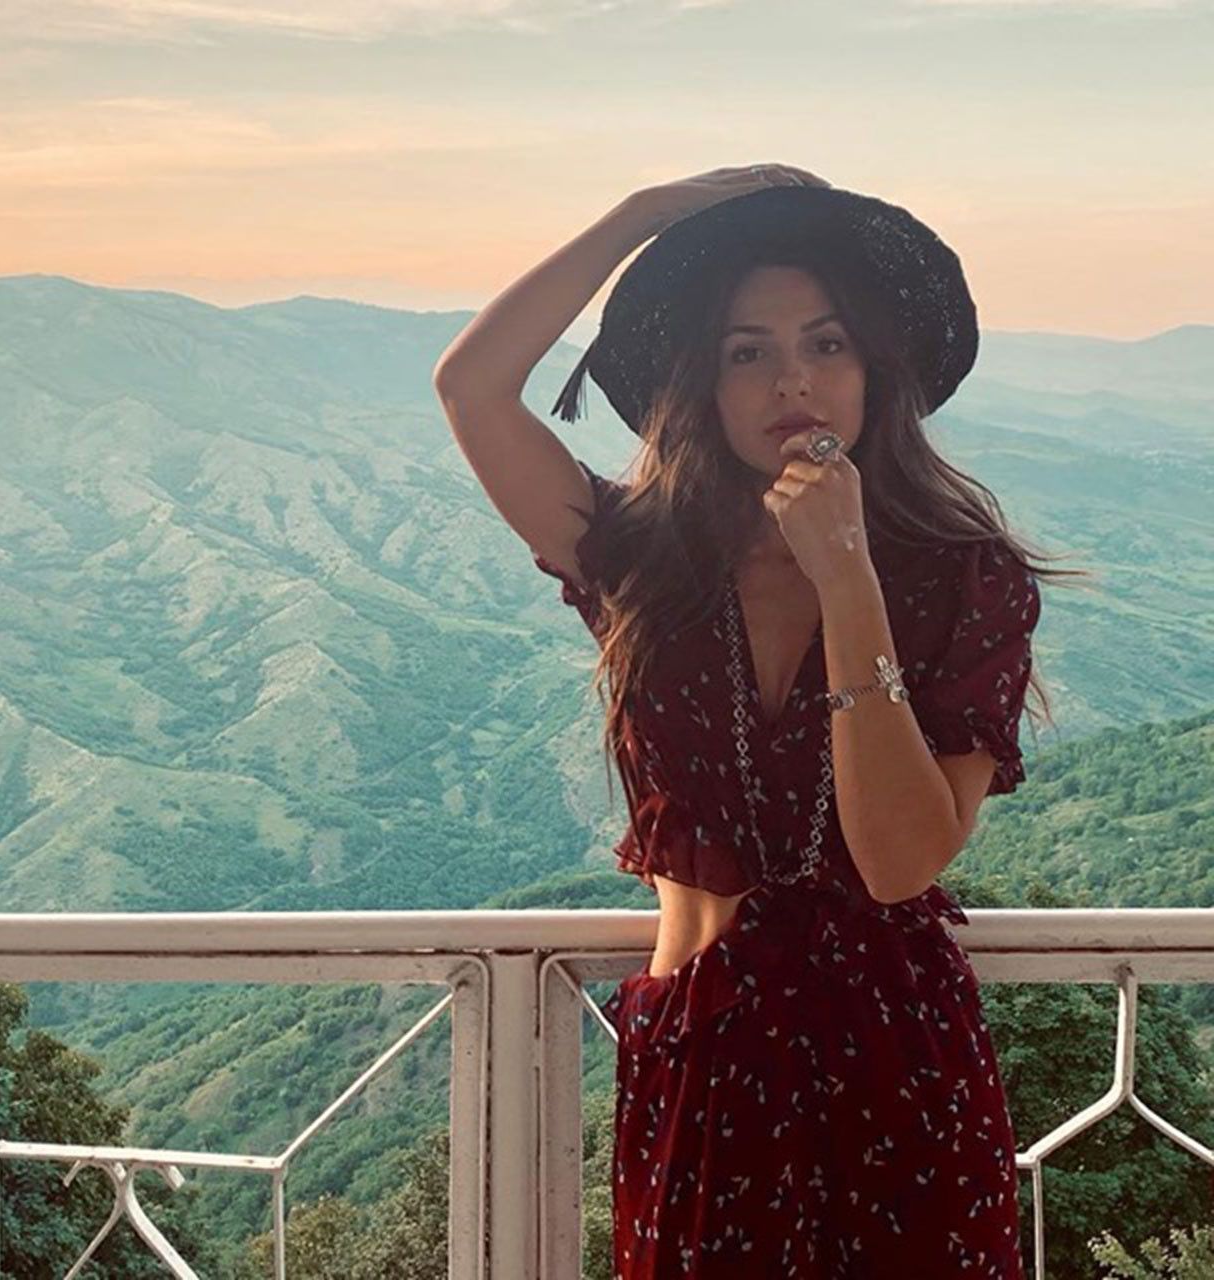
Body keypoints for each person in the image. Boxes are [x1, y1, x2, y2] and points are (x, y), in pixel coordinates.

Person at [433, 166, 1075, 1277]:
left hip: (901, 1073)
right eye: (747, 352)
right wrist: (645, 215)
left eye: (828, 343)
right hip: (705, 1066)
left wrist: (848, 577)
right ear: (704, 382)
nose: (793, 380)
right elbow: (473, 387)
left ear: (874, 370)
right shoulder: (640, 556)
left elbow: (899, 862)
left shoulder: (964, 577)